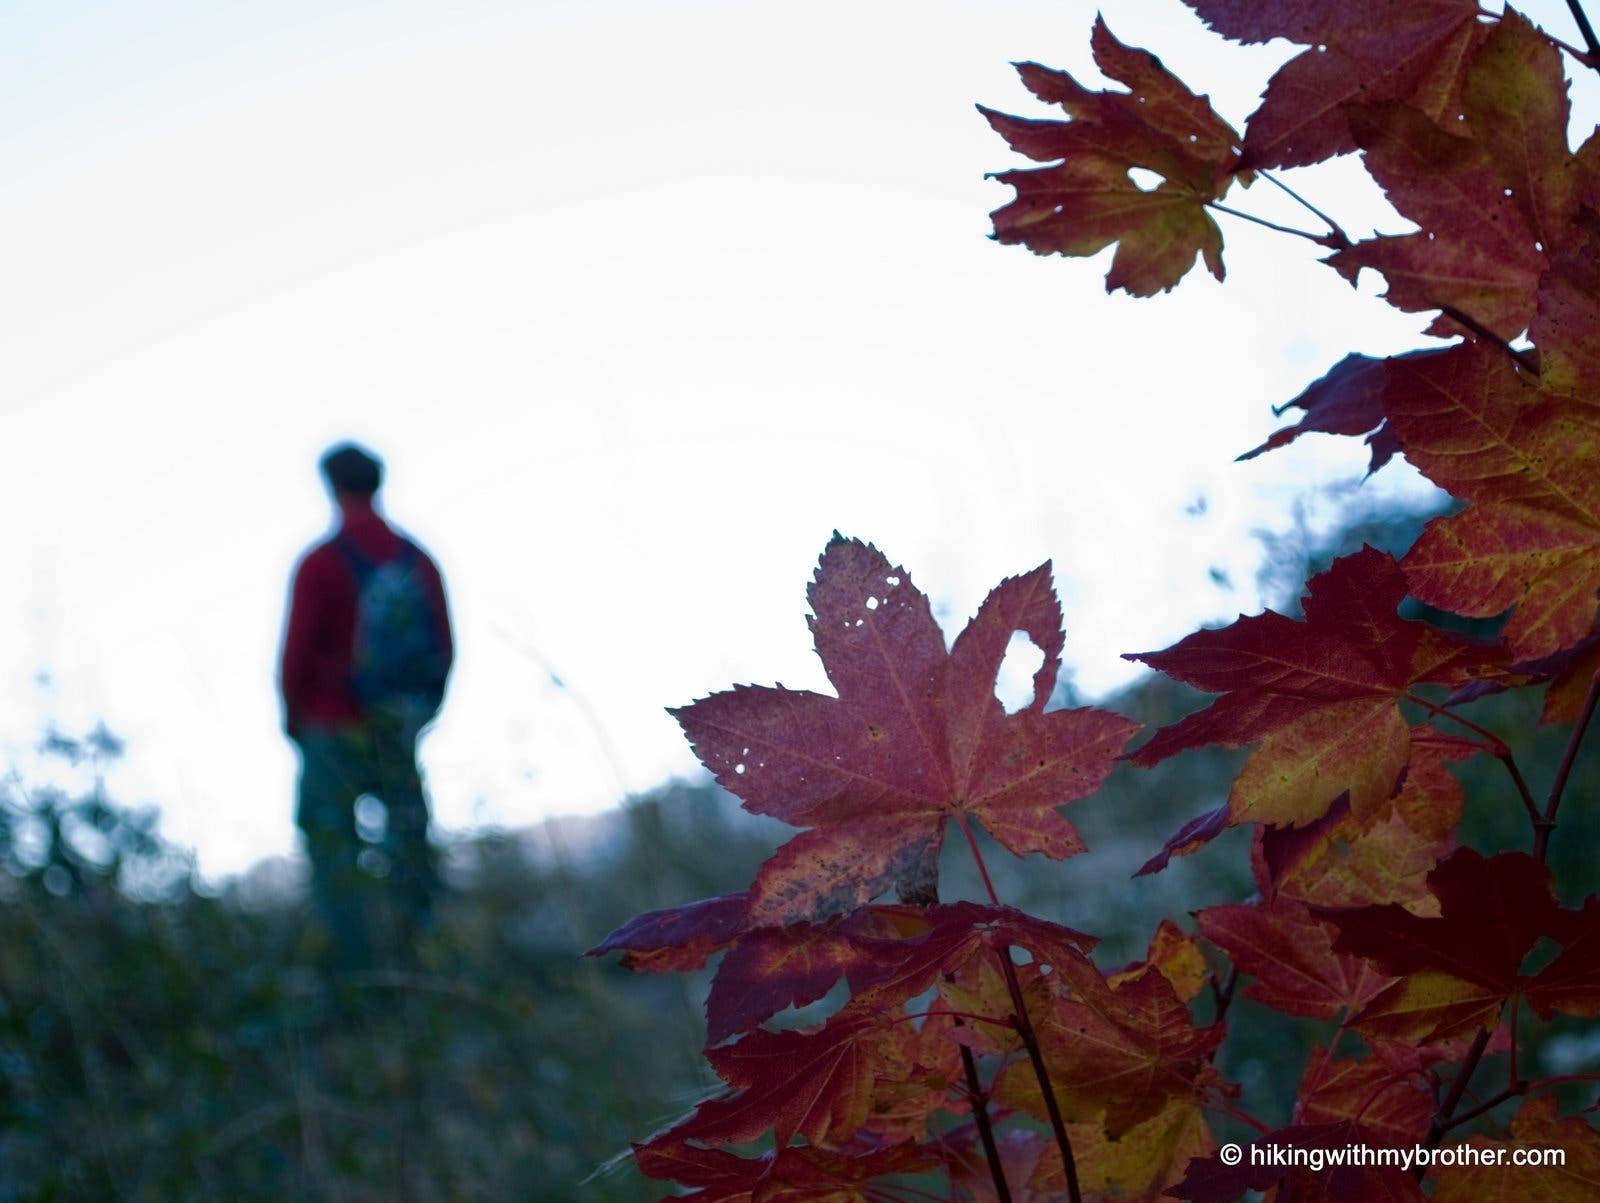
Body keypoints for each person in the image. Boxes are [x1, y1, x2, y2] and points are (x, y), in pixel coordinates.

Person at [279, 442, 453, 970]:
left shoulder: (319, 563)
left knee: (333, 852)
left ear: (331, 486)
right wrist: (419, 717)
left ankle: (355, 971)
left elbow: (297, 653)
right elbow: (444, 647)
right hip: (394, 726)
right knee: (409, 845)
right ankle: (419, 957)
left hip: (331, 728)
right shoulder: (416, 559)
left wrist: (295, 721)